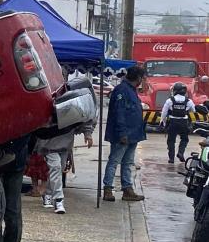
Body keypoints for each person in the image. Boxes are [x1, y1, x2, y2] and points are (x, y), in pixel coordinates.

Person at [104, 65, 147, 202]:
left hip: (133, 135)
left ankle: (127, 189)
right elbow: (120, 114)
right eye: (143, 77)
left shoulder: (132, 90)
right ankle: (108, 189)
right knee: (114, 161)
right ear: (138, 78)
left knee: (128, 162)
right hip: (122, 135)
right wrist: (122, 133)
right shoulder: (122, 90)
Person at [35, 118, 94, 215]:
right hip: (48, 141)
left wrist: (87, 133)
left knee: (58, 170)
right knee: (56, 168)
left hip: (65, 141)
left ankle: (48, 194)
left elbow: (83, 116)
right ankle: (59, 200)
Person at [160, 81, 192, 164]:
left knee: (171, 140)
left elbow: (164, 113)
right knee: (184, 139)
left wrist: (163, 123)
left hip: (172, 122)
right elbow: (194, 110)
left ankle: (171, 158)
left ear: (175, 90)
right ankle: (180, 153)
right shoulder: (188, 101)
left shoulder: (169, 100)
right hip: (184, 122)